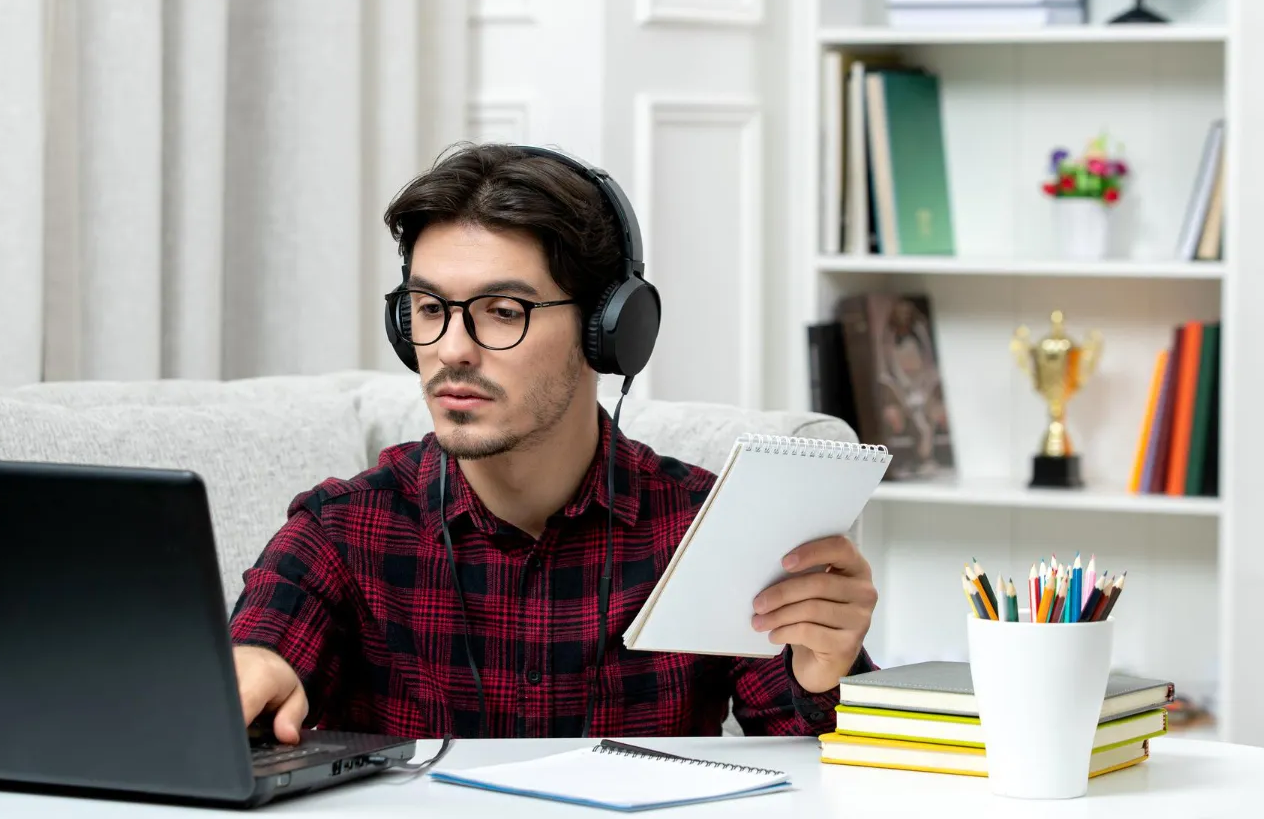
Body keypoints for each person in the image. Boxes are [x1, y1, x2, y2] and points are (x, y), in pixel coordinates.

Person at [229, 143, 878, 743]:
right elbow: (256, 662)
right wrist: (250, 672)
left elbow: (838, 780)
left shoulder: (708, 528)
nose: (451, 350)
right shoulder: (340, 532)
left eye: (503, 312)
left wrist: (826, 676)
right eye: (429, 309)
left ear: (608, 330)